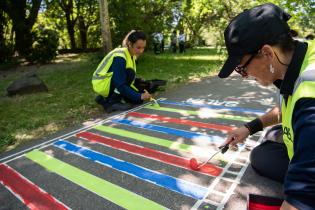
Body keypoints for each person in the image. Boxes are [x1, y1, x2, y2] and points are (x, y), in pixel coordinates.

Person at [218, 3, 315, 210]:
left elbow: (301, 200)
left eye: (242, 68)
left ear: (267, 53)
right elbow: (284, 109)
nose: (245, 76)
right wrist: (250, 127)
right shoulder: (296, 60)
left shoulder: (310, 97)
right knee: (262, 153)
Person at [92, 30, 152, 113]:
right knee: (131, 76)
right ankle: (112, 103)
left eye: (143, 48)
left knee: (137, 101)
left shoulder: (131, 56)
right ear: (130, 44)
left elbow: (125, 78)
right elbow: (120, 83)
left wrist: (140, 86)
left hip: (111, 82)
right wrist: (140, 96)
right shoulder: (120, 56)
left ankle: (103, 99)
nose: (141, 51)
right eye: (138, 47)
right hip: (102, 83)